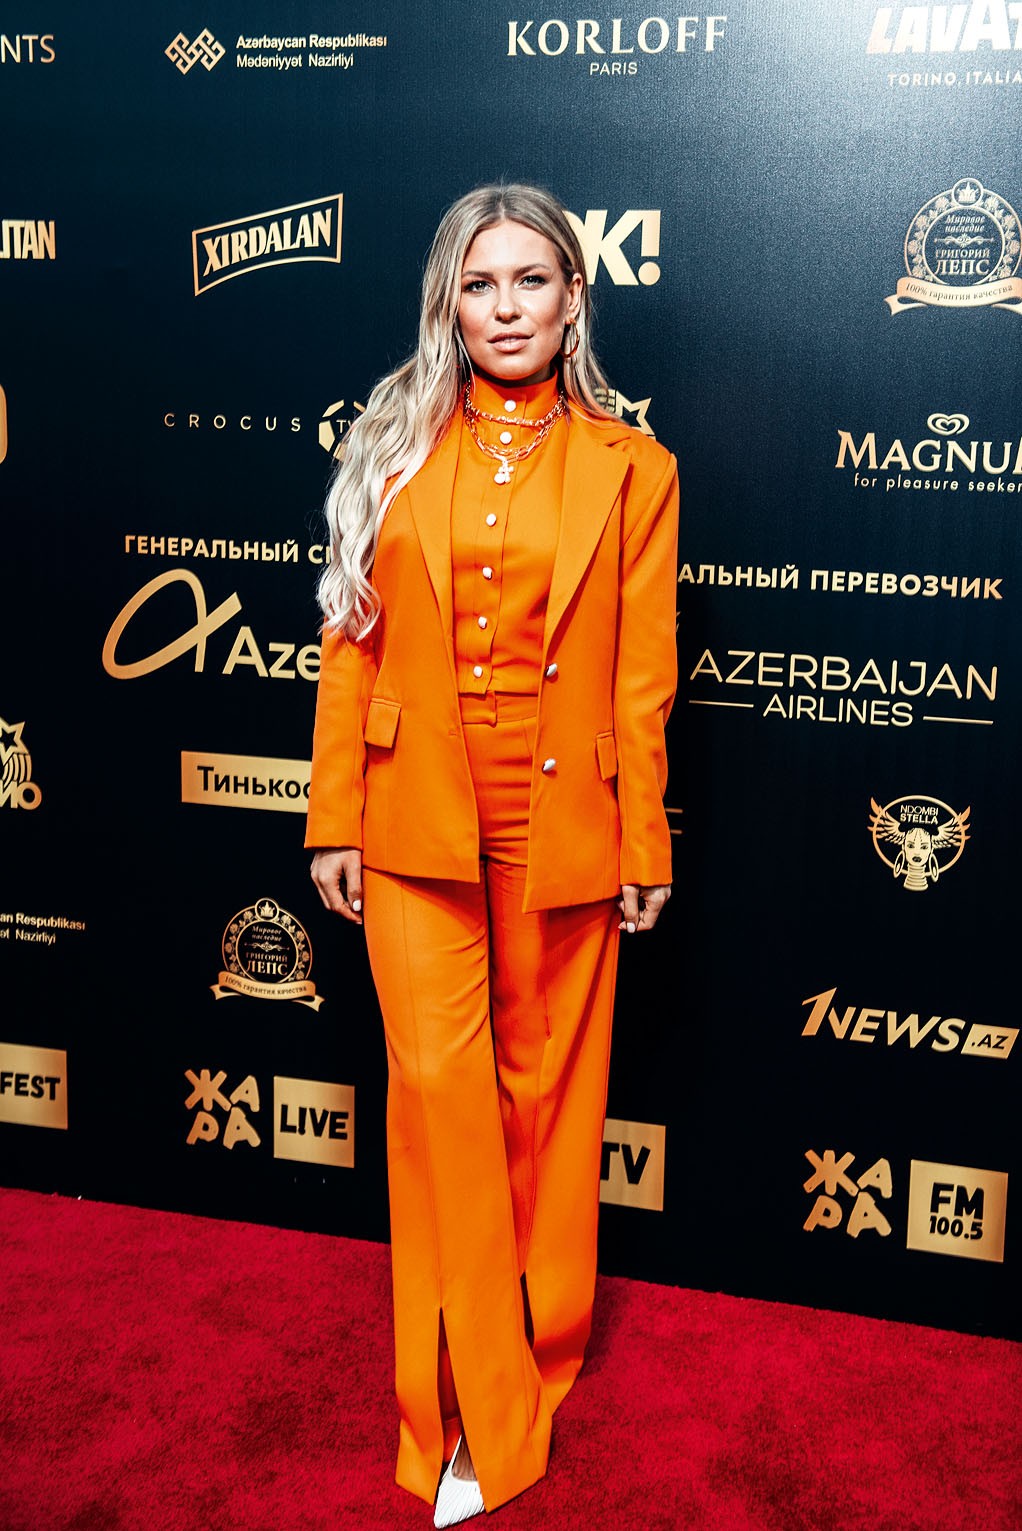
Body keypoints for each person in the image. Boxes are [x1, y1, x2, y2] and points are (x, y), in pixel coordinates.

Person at [307, 182, 678, 1527]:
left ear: (574, 299)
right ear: (447, 305)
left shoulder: (635, 469)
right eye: (480, 284)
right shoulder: (391, 444)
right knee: (439, 1105)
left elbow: (643, 679)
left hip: (560, 819)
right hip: (413, 814)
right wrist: (332, 816)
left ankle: (541, 1346)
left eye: (531, 281)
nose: (506, 308)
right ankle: (467, 1415)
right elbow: (349, 647)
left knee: (545, 1109)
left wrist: (643, 836)